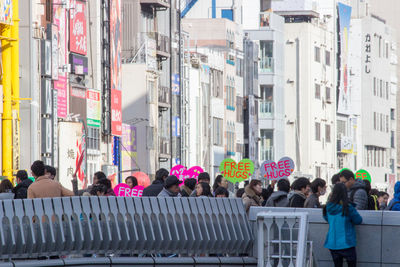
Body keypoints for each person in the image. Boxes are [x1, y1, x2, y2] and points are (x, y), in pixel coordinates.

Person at [323, 183, 362, 267]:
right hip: (347, 243)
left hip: (332, 243)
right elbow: (358, 220)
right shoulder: (348, 208)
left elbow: (326, 218)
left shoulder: (328, 207)